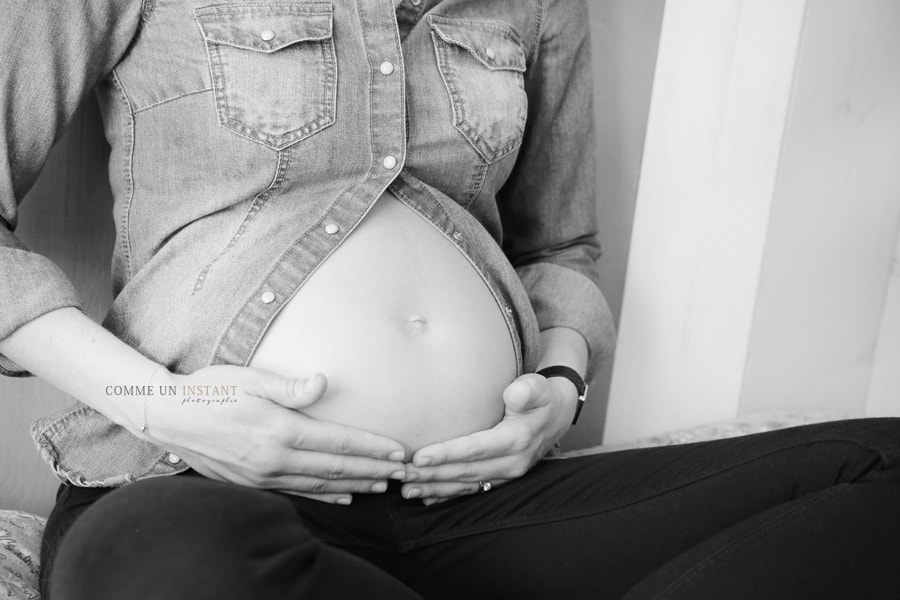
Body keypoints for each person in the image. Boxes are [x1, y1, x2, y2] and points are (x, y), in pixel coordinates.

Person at [1, 1, 898, 598]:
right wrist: (174, 409)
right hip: (206, 482)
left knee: (880, 468)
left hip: (479, 504)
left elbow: (560, 248)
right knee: (162, 561)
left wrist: (560, 385)